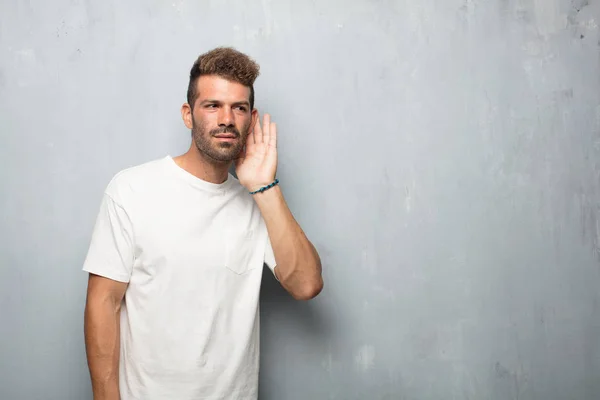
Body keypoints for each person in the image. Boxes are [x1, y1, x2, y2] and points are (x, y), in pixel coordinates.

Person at [82, 47, 323, 400]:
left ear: (251, 120)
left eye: (238, 108)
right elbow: (103, 303)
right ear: (188, 114)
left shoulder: (257, 203)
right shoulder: (132, 189)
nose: (226, 118)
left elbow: (306, 285)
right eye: (212, 106)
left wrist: (263, 186)